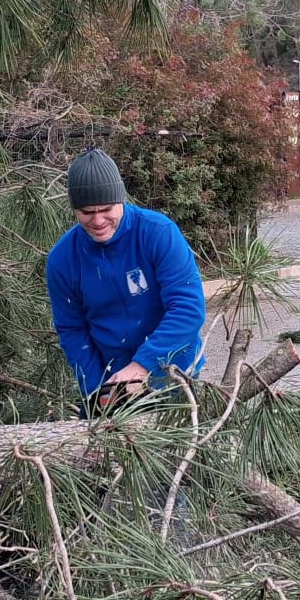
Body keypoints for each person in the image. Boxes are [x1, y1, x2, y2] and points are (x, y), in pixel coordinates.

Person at [45, 148, 208, 407]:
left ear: (121, 199)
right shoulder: (62, 260)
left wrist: (143, 366)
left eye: (106, 209)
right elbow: (72, 330)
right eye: (87, 212)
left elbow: (188, 309)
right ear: (75, 209)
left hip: (175, 373)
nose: (98, 220)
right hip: (113, 382)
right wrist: (96, 391)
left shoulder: (158, 233)